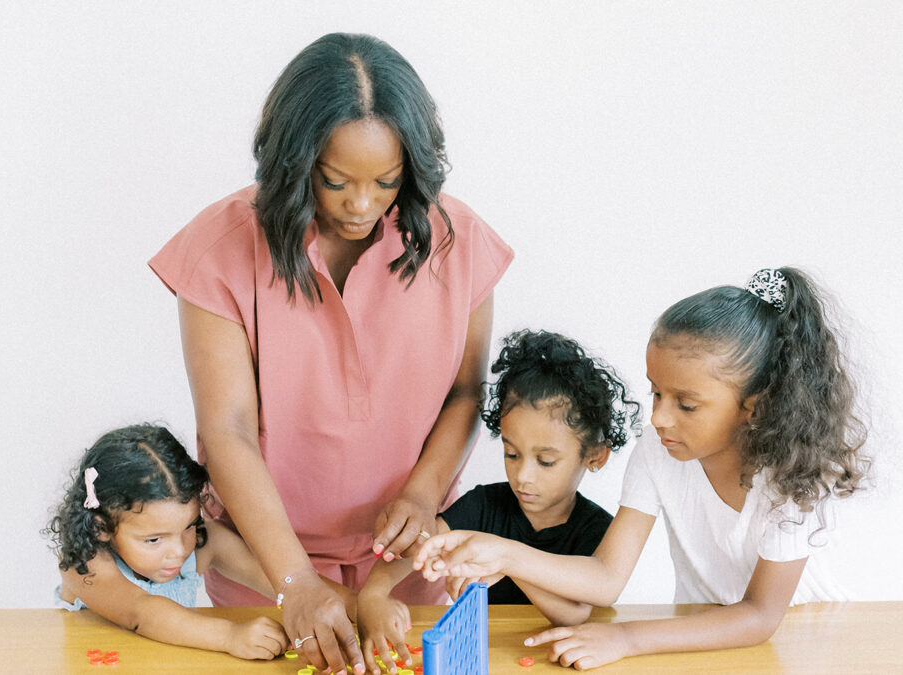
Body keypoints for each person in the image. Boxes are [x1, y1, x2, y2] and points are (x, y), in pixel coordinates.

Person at [149, 32, 513, 675]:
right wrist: (294, 581)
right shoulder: (220, 248)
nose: (362, 204)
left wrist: (423, 495)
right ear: (295, 162)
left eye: (387, 182)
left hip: (405, 562)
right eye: (335, 181)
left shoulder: (457, 242)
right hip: (264, 564)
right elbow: (227, 429)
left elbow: (464, 394)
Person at [413, 268, 869, 670]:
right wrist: (505, 554)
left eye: (686, 404)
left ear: (755, 404)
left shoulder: (793, 477)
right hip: (698, 632)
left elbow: (760, 616)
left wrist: (626, 638)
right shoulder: (659, 450)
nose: (659, 418)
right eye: (656, 393)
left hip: (802, 635)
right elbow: (605, 578)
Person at [355, 329, 640, 673]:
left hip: (558, 663)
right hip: (486, 658)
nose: (523, 476)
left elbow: (573, 613)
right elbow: (421, 543)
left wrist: (505, 562)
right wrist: (374, 594)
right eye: (511, 454)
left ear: (595, 456)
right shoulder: (484, 504)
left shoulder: (598, 529)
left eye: (546, 461)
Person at [45, 424, 289, 660]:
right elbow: (141, 612)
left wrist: (308, 606)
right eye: (153, 539)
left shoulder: (204, 542)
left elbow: (287, 583)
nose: (179, 551)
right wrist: (230, 636)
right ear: (102, 528)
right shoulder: (84, 563)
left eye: (189, 526)